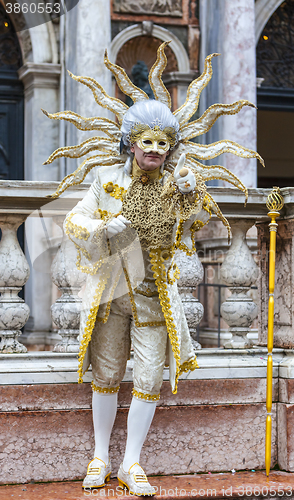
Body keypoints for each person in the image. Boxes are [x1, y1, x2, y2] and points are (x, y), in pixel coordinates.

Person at [43, 43, 264, 495]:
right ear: (130, 142)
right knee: (106, 375)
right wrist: (109, 226)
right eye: (148, 142)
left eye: (164, 144)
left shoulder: (179, 183)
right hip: (109, 294)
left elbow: (200, 225)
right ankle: (99, 456)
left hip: (154, 295)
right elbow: (73, 222)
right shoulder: (105, 179)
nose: (156, 151)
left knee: (147, 378)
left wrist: (192, 194)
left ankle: (131, 463)